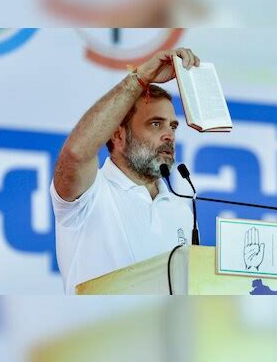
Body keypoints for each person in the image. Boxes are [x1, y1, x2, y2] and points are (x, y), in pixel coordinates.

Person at [50, 48, 200, 294]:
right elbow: (76, 154)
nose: (169, 135)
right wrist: (140, 78)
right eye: (155, 124)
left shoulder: (181, 208)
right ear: (118, 135)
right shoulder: (90, 195)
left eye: (172, 126)